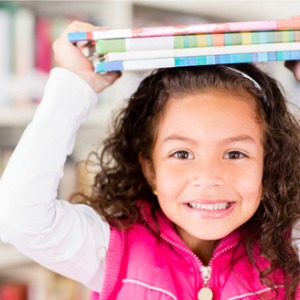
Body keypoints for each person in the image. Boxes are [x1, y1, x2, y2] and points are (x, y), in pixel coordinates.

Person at [0, 21, 300, 300]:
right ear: (150, 169)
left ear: (269, 162)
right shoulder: (112, 251)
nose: (209, 177)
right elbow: (19, 217)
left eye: (235, 154)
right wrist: (76, 83)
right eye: (182, 154)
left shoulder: (290, 251)